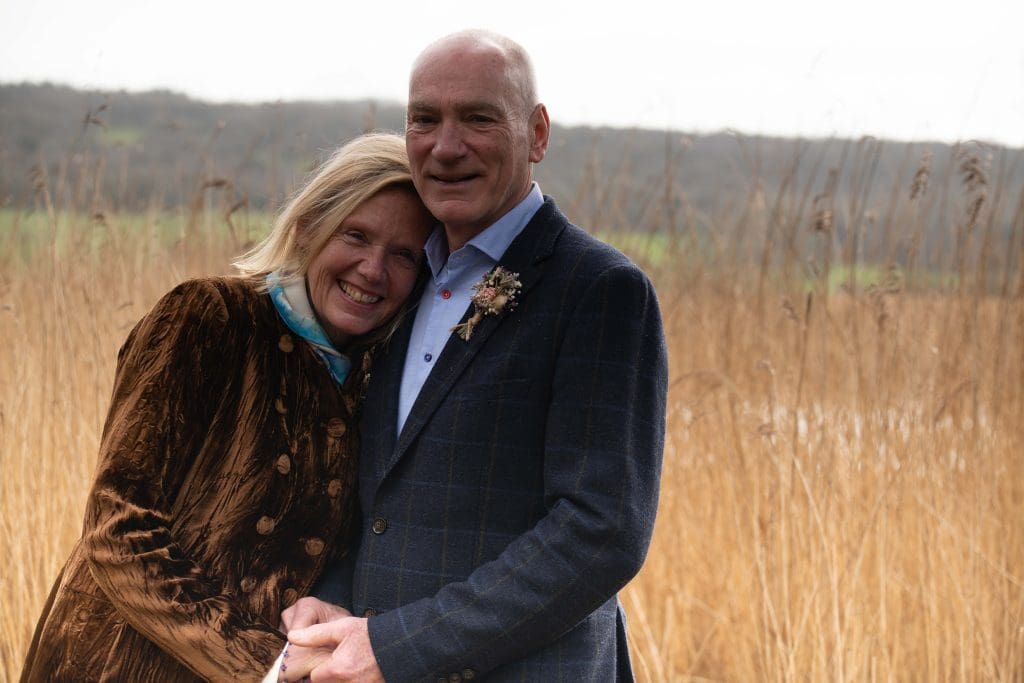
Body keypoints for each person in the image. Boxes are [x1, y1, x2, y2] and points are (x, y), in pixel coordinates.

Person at [280, 30, 668, 682]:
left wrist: (402, 644)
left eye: (479, 118)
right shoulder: (403, 283)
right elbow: (387, 501)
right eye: (425, 120)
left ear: (537, 134)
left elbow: (600, 531)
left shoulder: (598, 289)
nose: (446, 145)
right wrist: (336, 599)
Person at [19, 133, 435, 682]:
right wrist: (263, 662)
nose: (373, 269)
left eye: (403, 255)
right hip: (121, 663)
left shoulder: (381, 380)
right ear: (309, 227)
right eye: (355, 235)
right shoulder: (209, 318)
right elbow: (117, 527)